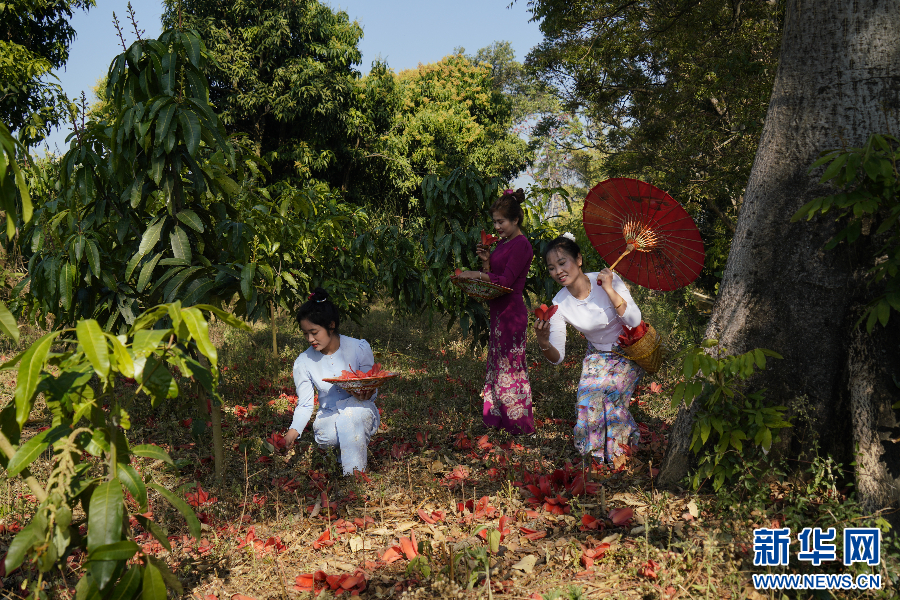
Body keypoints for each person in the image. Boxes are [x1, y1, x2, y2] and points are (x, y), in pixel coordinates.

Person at [533, 233, 643, 464]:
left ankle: (621, 454)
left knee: (611, 400)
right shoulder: (559, 304)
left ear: (579, 259)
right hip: (597, 355)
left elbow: (634, 320)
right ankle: (594, 459)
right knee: (587, 401)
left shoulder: (607, 280)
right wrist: (543, 342)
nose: (558, 271)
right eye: (552, 268)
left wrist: (610, 289)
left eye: (562, 263)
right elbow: (557, 357)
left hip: (627, 351)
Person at [457, 188, 535, 434]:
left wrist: (476, 274)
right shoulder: (504, 243)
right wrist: (486, 262)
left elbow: (507, 282)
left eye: (501, 222)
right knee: (498, 366)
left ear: (516, 220)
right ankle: (496, 420)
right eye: (494, 222)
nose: (497, 227)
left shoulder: (521, 245)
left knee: (511, 368)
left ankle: (518, 424)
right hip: (499, 311)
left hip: (512, 313)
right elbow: (495, 276)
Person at [284, 288, 380, 475]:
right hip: (329, 417)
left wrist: (366, 393)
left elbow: (372, 387)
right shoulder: (304, 362)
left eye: (314, 332)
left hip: (361, 410)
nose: (310, 339)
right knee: (334, 431)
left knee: (353, 413)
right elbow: (305, 404)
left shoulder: (358, 348)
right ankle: (348, 458)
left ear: (331, 325)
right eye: (305, 333)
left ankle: (354, 474)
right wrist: (293, 431)